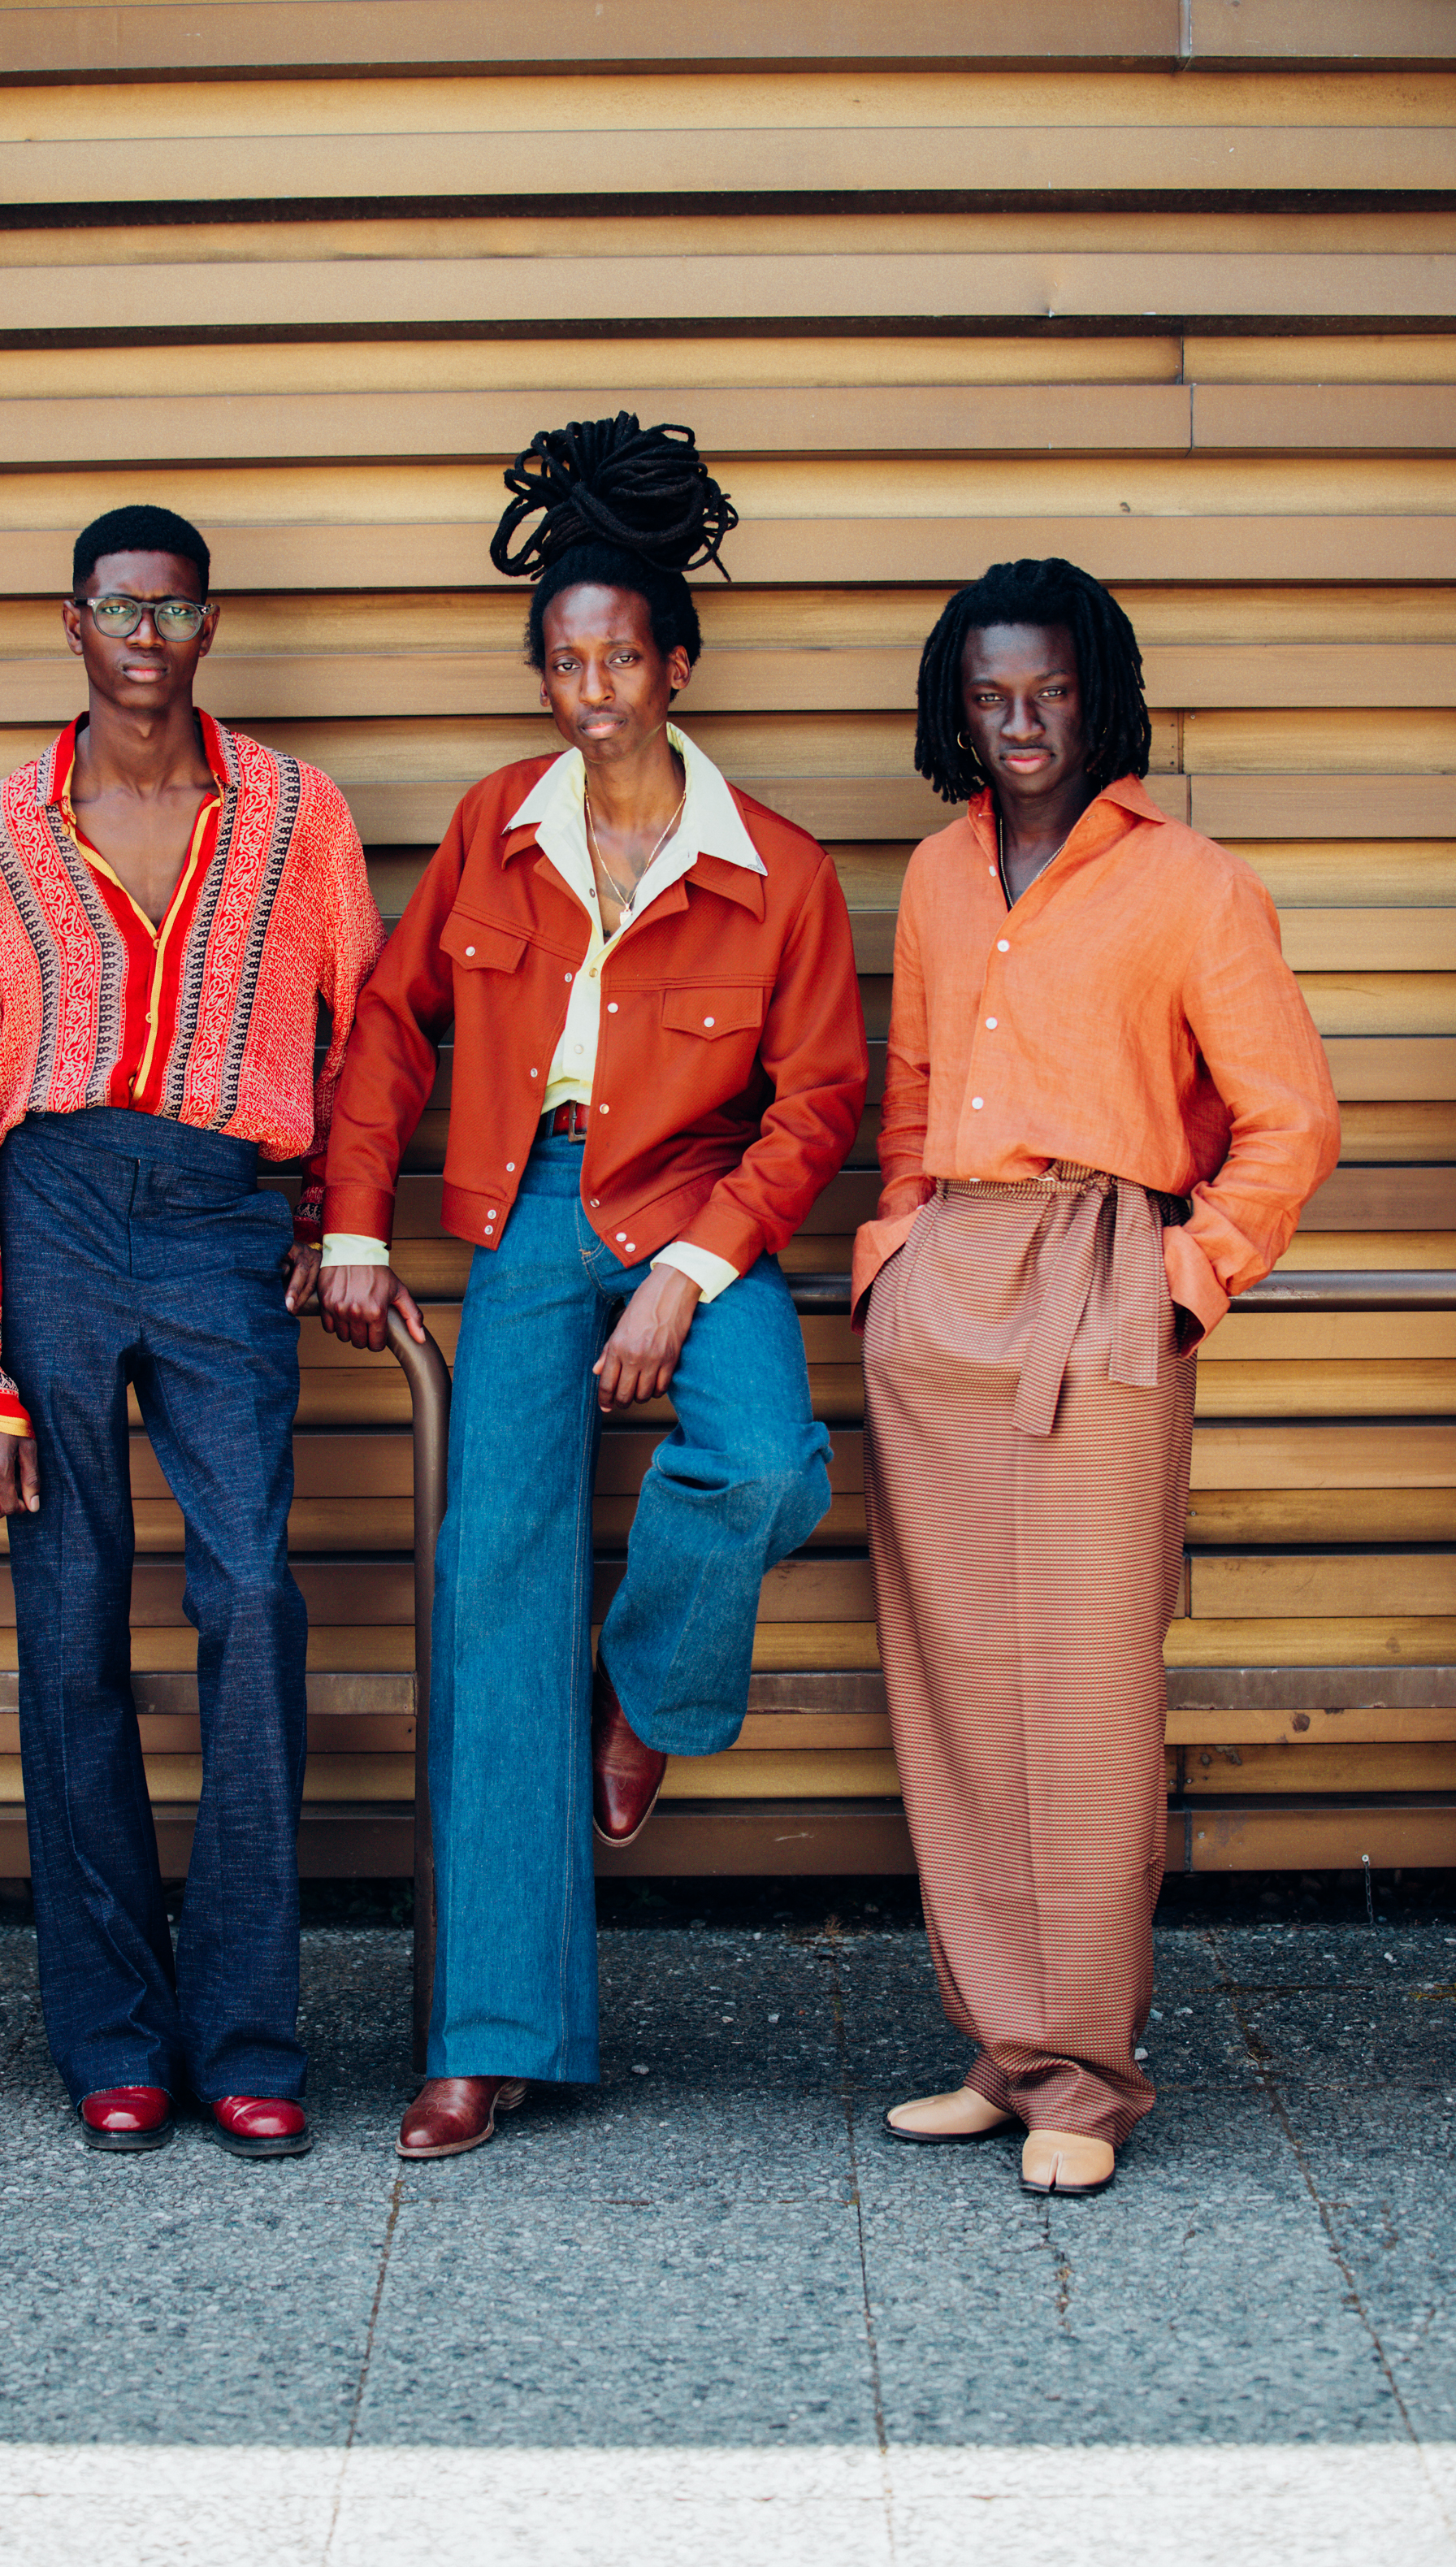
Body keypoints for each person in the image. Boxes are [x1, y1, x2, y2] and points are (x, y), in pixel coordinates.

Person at [318, 415, 869, 2157]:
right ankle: (488, 2036)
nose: (592, 688)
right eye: (564, 660)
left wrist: (694, 1269)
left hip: (700, 1205)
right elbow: (393, 1028)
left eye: (620, 655)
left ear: (675, 664)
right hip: (521, 1208)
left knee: (770, 1463)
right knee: (493, 1594)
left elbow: (826, 1101)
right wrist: (348, 1221)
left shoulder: (775, 866)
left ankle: (644, 1696)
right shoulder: (495, 830)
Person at [856, 557, 1341, 2196]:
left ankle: (1086, 2074)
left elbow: (1290, 1117)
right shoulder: (932, 876)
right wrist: (891, 1259)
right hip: (949, 1286)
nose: (1018, 724)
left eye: (1047, 691)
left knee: (1079, 1687)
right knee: (955, 1685)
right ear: (956, 704)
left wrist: (1184, 1278)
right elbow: (912, 1087)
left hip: (1097, 1278)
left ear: (1098, 691)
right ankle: (1002, 2052)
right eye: (988, 696)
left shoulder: (1190, 885)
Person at [0, 502, 384, 2157]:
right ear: (74, 625)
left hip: (214, 1219)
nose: (145, 635)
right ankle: (115, 2031)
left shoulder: (294, 814)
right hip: (47, 1208)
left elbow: (369, 1034)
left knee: (251, 1593)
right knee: (69, 1619)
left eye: (174, 609)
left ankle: (250, 2031)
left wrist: (343, 1223)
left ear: (209, 627)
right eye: (117, 608)